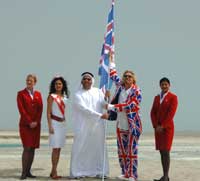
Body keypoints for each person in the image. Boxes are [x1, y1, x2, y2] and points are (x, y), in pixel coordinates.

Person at [106, 63, 142, 181]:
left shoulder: (136, 91)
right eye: (125, 76)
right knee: (121, 150)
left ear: (133, 79)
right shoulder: (120, 87)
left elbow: (130, 105)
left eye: (130, 77)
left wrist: (113, 107)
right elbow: (113, 75)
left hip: (132, 125)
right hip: (120, 123)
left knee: (131, 150)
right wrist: (111, 60)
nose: (127, 78)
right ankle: (125, 172)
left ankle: (133, 174)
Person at [70, 72, 109, 179]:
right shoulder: (77, 94)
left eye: (89, 79)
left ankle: (100, 171)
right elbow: (84, 109)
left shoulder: (98, 91)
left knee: (98, 147)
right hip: (83, 126)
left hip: (97, 126)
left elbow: (103, 103)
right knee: (80, 147)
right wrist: (101, 115)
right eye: (85, 79)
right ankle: (77, 172)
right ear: (81, 81)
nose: (87, 81)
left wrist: (111, 105)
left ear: (92, 81)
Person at [150, 77, 178, 181]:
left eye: (166, 84)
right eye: (162, 84)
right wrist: (155, 125)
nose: (164, 86)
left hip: (167, 129)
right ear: (160, 86)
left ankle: (166, 176)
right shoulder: (157, 98)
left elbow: (171, 113)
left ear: (169, 85)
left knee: (166, 151)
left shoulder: (173, 97)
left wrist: (163, 126)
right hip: (157, 129)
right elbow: (152, 112)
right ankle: (164, 176)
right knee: (161, 151)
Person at [17, 74, 43, 180]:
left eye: (31, 80)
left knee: (32, 148)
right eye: (27, 80)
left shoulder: (38, 94)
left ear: (35, 82)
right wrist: (29, 122)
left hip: (36, 126)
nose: (29, 82)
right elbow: (21, 110)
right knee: (27, 148)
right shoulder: (20, 94)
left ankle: (28, 171)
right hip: (25, 125)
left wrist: (36, 121)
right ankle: (23, 172)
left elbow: (40, 109)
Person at [47, 76, 69, 179]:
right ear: (54, 86)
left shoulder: (65, 97)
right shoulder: (51, 96)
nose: (58, 85)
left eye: (60, 84)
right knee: (55, 149)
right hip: (54, 124)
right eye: (56, 84)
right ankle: (54, 171)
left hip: (62, 124)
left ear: (63, 85)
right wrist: (50, 126)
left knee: (59, 149)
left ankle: (53, 171)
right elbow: (48, 113)